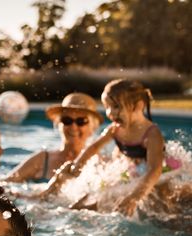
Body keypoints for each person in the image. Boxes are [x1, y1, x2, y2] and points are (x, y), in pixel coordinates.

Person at [44, 79, 165, 216]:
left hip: (157, 173)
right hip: (133, 170)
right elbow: (94, 147)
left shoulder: (152, 134)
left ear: (137, 106)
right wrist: (78, 165)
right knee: (85, 201)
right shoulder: (115, 129)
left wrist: (134, 198)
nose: (110, 113)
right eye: (107, 107)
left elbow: (155, 170)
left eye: (116, 107)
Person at [2, 93, 103, 183]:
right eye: (67, 120)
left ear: (92, 128)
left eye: (81, 121)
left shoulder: (99, 164)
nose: (73, 127)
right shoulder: (42, 159)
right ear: (59, 124)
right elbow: (5, 184)